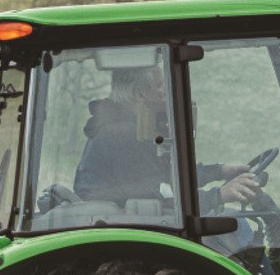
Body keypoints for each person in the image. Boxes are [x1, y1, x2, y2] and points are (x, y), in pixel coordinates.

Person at [72, 62, 265, 217]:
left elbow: (163, 172)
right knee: (235, 227)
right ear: (140, 94)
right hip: (126, 224)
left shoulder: (125, 127)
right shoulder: (121, 134)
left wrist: (219, 171)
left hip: (127, 217)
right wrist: (218, 196)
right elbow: (155, 197)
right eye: (159, 85)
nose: (164, 91)